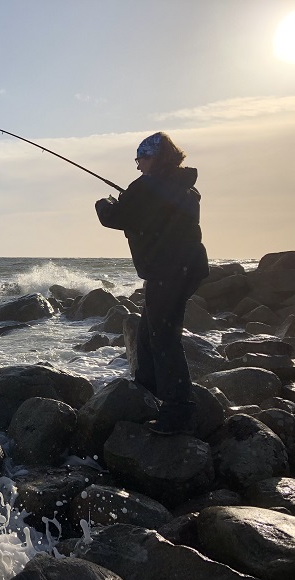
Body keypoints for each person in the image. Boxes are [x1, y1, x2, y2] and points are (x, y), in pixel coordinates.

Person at [95, 132, 209, 435]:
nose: (137, 166)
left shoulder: (147, 187)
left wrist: (102, 203)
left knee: (163, 337)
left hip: (167, 271)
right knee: (150, 328)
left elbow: (116, 216)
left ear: (153, 157)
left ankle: (178, 410)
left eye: (140, 159)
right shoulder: (186, 187)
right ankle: (145, 389)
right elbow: (152, 215)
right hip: (188, 268)